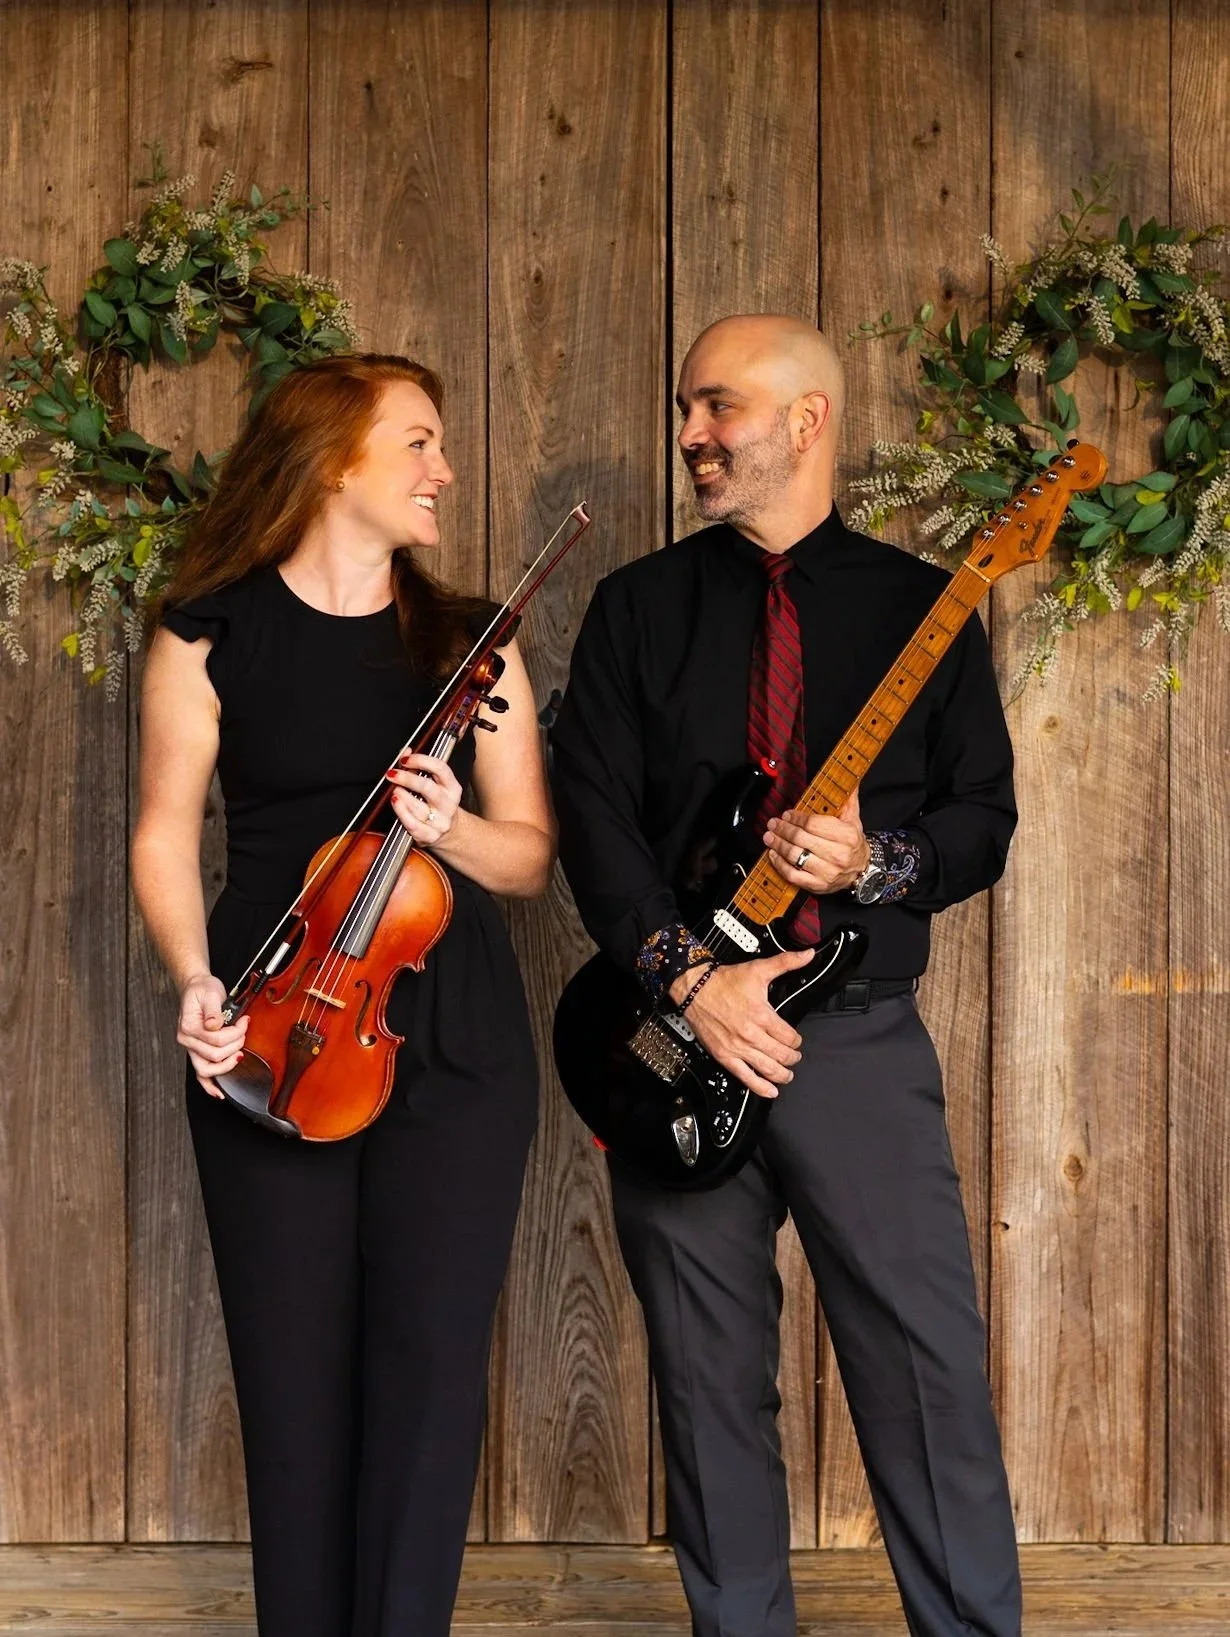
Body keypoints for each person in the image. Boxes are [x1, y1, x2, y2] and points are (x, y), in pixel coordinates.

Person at [551, 315, 1022, 1637]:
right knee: (705, 1385)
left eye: (718, 406)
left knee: (924, 1372)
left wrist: (876, 859)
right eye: (686, 409)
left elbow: (982, 818)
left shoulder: (925, 607)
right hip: (672, 1036)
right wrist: (688, 979)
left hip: (851, 1040)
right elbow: (592, 816)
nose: (690, 434)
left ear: (807, 419)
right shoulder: (637, 606)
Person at [131, 354, 553, 1637]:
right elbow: (163, 834)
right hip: (271, 1026)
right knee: (293, 1379)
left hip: (452, 1034)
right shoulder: (207, 630)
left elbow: (529, 856)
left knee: (430, 1375)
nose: (445, 471)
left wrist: (452, 829)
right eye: (418, 442)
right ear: (332, 462)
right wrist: (195, 980)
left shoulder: (471, 644)